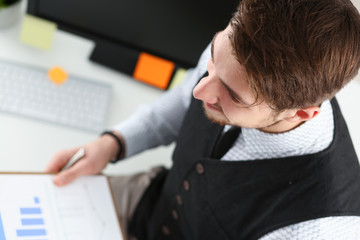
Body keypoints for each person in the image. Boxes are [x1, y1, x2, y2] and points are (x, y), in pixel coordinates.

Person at [46, 0, 360, 239]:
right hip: (151, 203)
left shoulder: (316, 226)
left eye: (234, 97)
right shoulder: (230, 54)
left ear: (302, 113)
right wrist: (113, 144)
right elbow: (183, 101)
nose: (200, 90)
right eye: (211, 61)